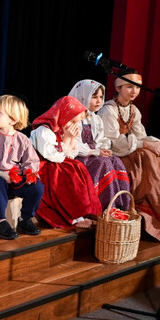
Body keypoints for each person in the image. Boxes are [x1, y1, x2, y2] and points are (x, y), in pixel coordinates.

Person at [98, 70, 160, 242]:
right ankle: (144, 201)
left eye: (137, 87)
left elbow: (140, 135)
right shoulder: (109, 110)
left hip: (126, 150)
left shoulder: (133, 110)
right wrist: (145, 144)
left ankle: (156, 202)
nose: (134, 91)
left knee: (156, 154)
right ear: (118, 88)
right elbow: (115, 141)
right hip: (111, 153)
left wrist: (153, 143)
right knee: (147, 154)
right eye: (129, 86)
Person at [0, 95, 45, 240]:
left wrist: (29, 175)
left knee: (37, 187)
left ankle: (25, 219)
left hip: (14, 178)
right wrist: (2, 175)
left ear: (13, 120)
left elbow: (30, 161)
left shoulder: (23, 139)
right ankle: (0, 221)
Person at [30, 96, 103, 229]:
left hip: (56, 163)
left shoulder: (61, 129)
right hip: (43, 166)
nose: (74, 126)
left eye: (77, 122)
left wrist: (70, 139)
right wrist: (67, 139)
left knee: (77, 167)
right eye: (72, 121)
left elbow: (70, 155)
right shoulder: (44, 131)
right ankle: (73, 216)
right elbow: (53, 156)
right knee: (69, 173)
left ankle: (84, 211)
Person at [68, 80, 130, 210]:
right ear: (83, 96)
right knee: (103, 163)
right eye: (94, 97)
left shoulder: (96, 119)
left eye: (101, 97)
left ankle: (121, 205)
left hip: (95, 154)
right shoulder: (73, 119)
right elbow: (73, 145)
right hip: (80, 157)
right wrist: (94, 152)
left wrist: (103, 149)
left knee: (115, 160)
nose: (99, 101)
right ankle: (104, 207)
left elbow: (101, 139)